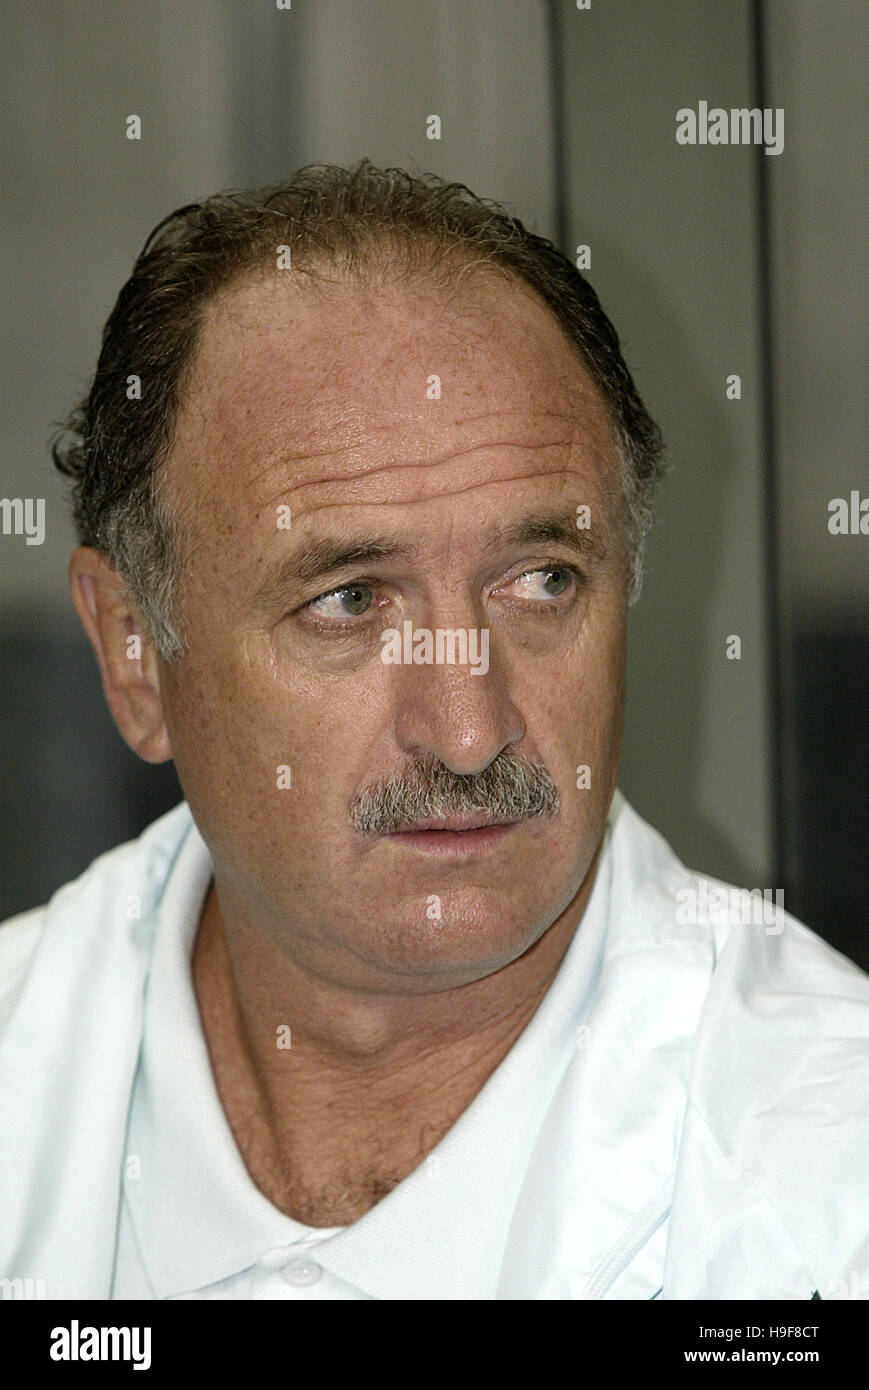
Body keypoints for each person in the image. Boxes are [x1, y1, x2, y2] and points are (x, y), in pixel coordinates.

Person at [1, 160, 866, 1301]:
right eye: (351, 601)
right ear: (132, 654)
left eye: (541, 580)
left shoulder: (826, 1174)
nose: (467, 732)